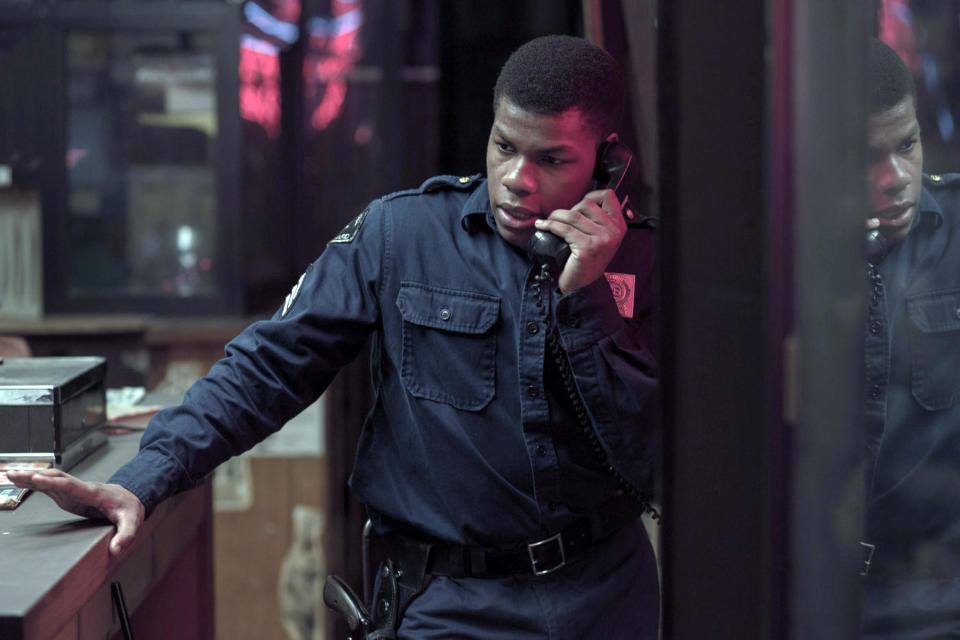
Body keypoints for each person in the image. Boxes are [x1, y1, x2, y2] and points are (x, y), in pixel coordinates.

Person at [9, 34, 659, 639]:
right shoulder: (401, 236)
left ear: (607, 161)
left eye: (552, 159)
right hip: (449, 605)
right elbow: (269, 369)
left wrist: (587, 302)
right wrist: (144, 478)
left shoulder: (646, 262)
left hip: (602, 603)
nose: (518, 178)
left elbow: (655, 459)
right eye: (504, 146)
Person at [861, 37, 960, 638]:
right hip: (809, 584)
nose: (896, 177)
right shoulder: (781, 255)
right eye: (867, 157)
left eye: (907, 145)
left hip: (935, 594)